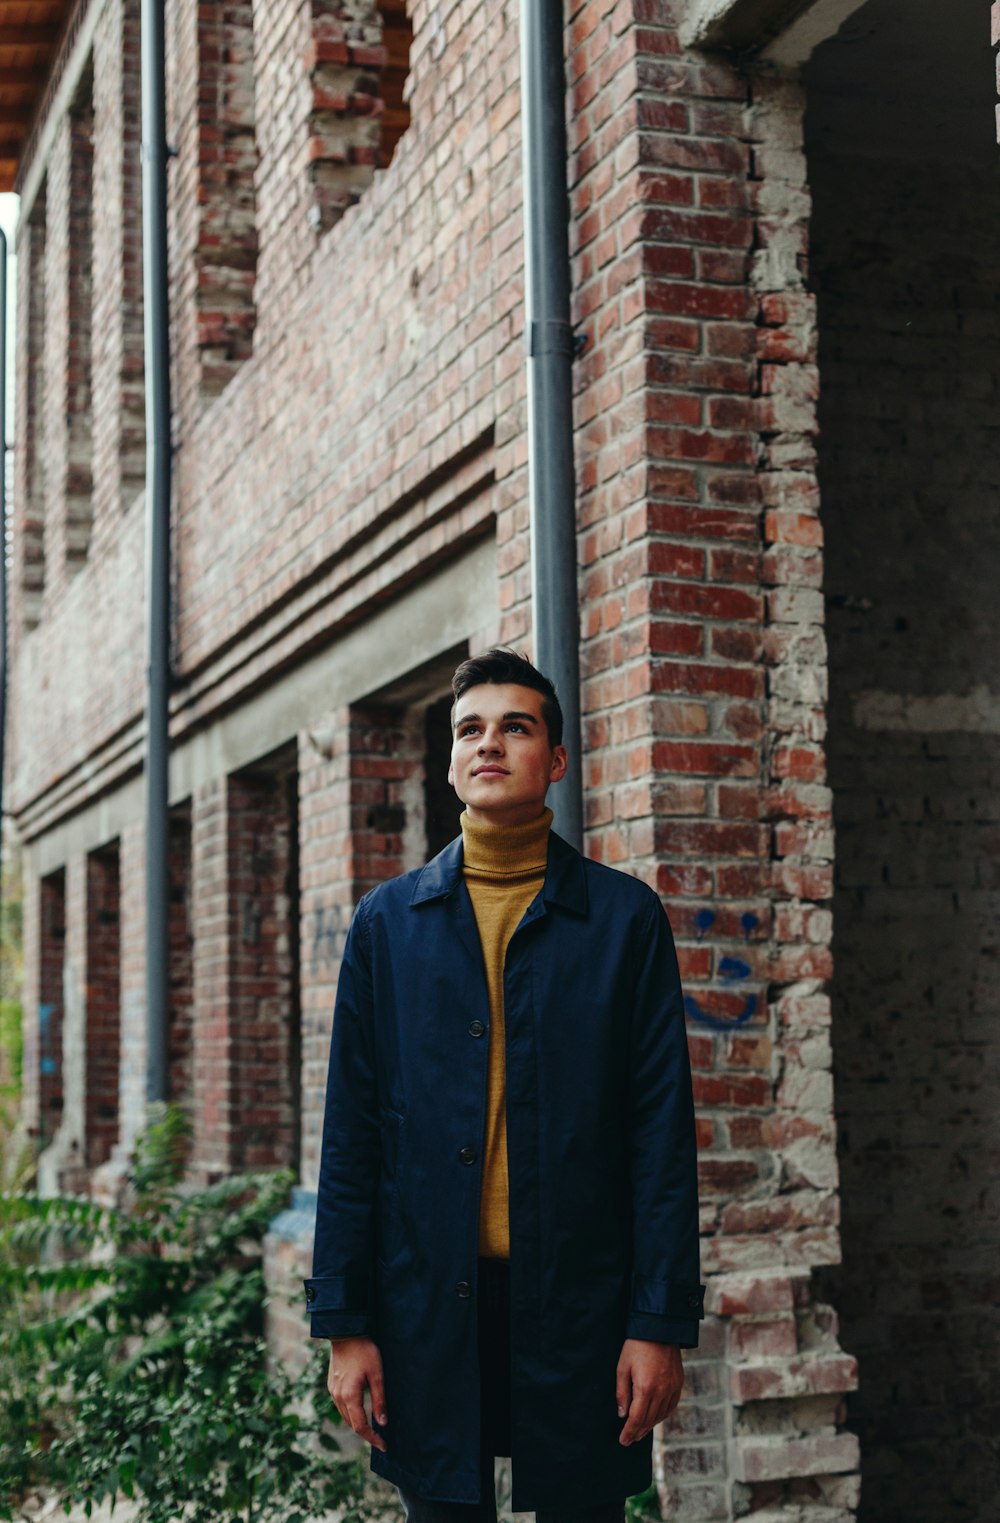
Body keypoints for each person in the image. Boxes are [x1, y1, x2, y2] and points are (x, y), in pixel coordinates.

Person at [304, 649, 703, 1523]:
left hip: (582, 1305)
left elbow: (660, 1136)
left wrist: (659, 1321)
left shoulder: (623, 918)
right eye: (470, 729)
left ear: (555, 758)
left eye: (516, 726)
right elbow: (352, 1134)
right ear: (450, 760)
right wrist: (345, 1322)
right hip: (427, 1306)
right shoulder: (386, 925)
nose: (490, 744)